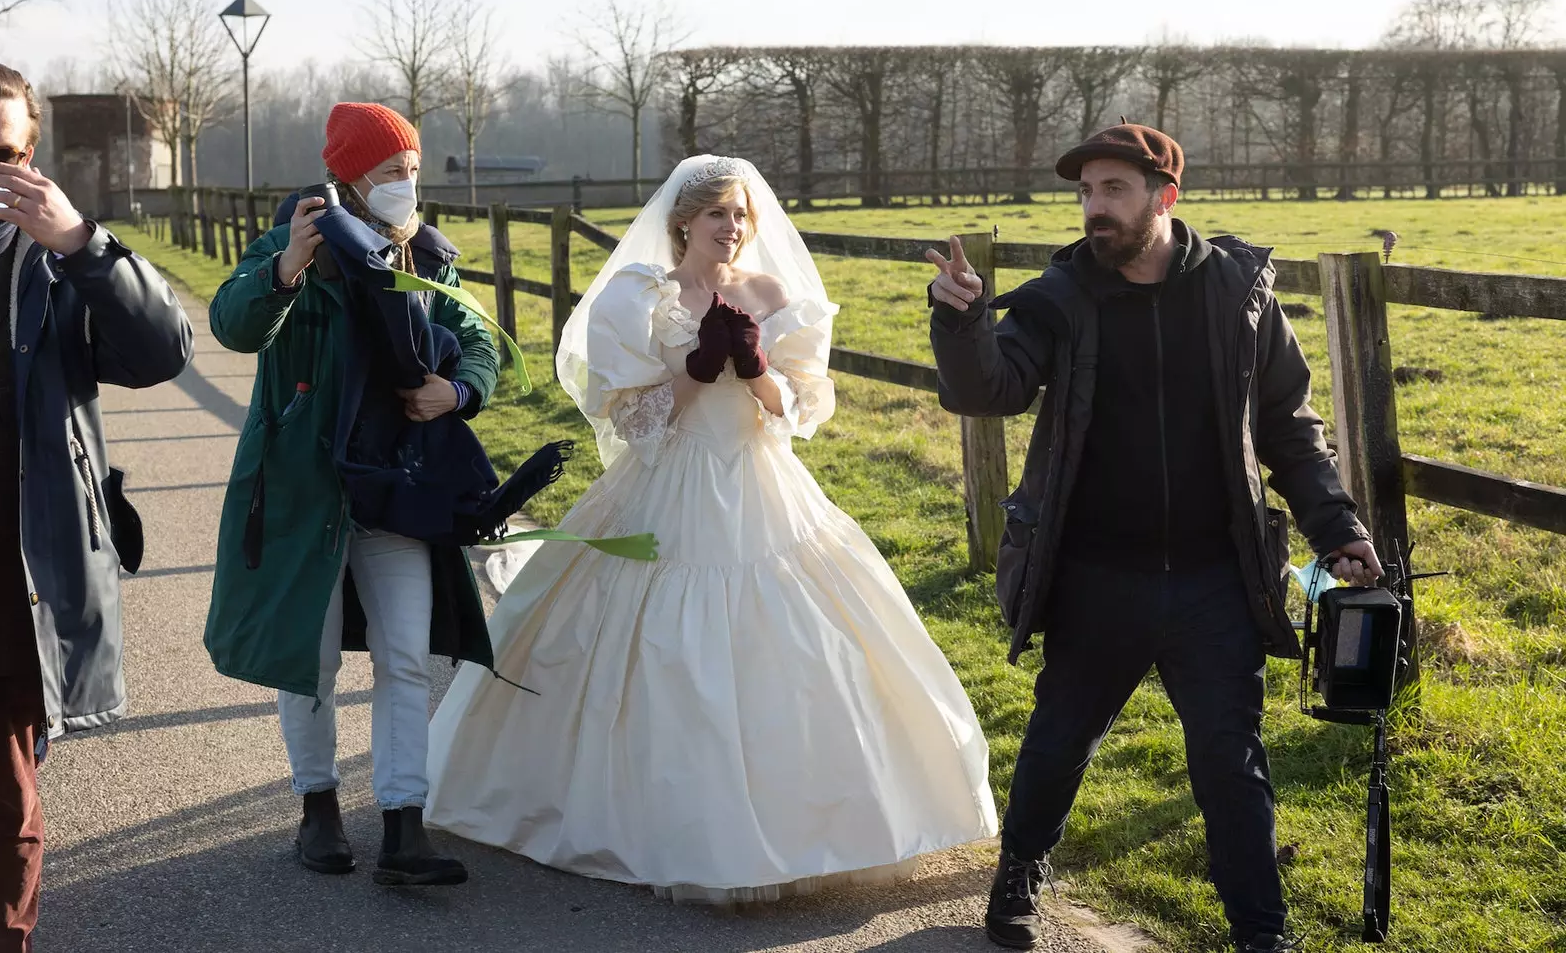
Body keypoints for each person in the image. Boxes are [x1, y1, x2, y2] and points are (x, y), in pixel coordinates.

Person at [424, 154, 997, 902]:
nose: (733, 227)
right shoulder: (640, 296)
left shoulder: (769, 292)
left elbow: (802, 406)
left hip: (761, 483)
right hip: (668, 483)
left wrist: (756, 365)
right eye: (719, 213)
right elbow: (632, 420)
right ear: (683, 221)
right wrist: (696, 367)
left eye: (741, 215)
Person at [926, 124, 1383, 953]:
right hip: (1097, 574)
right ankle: (1020, 871)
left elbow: (1287, 427)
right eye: (1086, 193)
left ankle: (1261, 933)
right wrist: (959, 324)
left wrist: (1337, 529)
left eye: (1113, 191)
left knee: (1229, 761)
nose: (1094, 209)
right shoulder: (1057, 298)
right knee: (1061, 737)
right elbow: (989, 389)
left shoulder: (1239, 295)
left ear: (1165, 197)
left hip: (1217, 577)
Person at [204, 102, 504, 887]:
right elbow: (233, 325)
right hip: (307, 488)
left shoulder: (429, 256)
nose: (408, 184)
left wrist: (460, 390)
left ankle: (405, 825)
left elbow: (477, 339)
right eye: (391, 171)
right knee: (310, 657)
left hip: (397, 486)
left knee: (407, 657)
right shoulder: (295, 240)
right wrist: (285, 269)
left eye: (413, 168)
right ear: (351, 177)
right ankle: (318, 810)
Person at [0, 56, 193, 951]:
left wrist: (84, 243)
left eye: (0, 153)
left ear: (31, 161)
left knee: (0, 809)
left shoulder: (57, 267)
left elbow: (162, 349)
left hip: (5, 589)